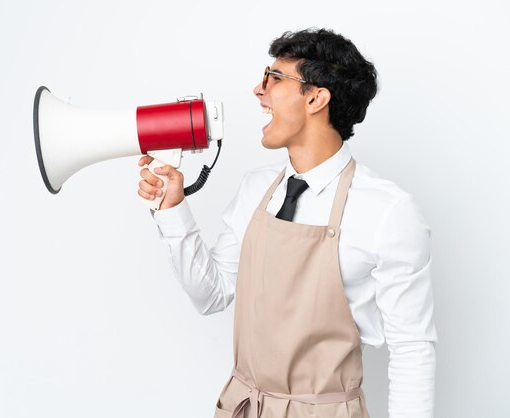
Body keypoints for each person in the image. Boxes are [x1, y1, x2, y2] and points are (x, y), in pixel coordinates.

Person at [137, 28, 437, 418]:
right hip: (241, 407)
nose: (258, 91)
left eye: (274, 79)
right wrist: (172, 208)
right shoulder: (255, 188)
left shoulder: (388, 211)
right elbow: (211, 295)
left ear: (315, 97)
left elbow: (413, 349)